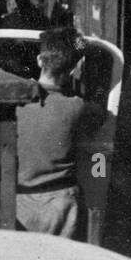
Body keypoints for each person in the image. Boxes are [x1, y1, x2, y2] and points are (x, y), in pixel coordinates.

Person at [14, 27, 104, 238]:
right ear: (72, 71)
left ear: (38, 60)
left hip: (19, 204)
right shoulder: (76, 107)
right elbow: (100, 114)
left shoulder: (14, 103)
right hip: (61, 207)